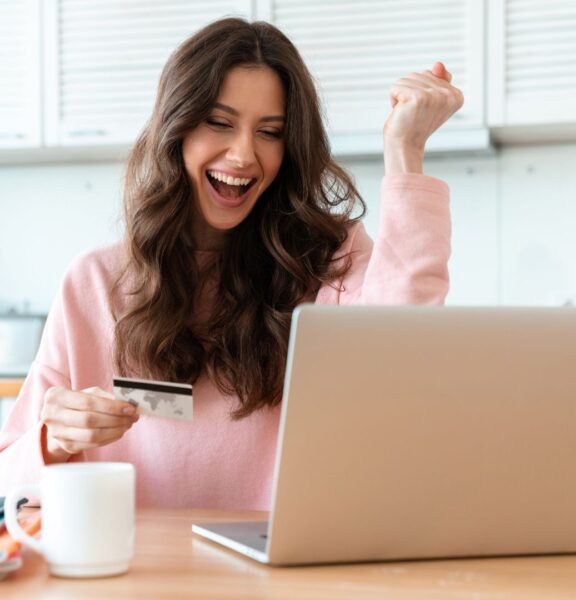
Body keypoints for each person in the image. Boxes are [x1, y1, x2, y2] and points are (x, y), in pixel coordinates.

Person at [0, 18, 463, 508]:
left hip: (280, 575)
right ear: (176, 128)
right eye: (219, 123)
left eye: (270, 132)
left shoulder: (328, 261)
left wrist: (405, 150)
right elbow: (10, 478)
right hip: (142, 577)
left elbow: (401, 353)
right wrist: (55, 439)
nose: (244, 155)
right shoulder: (95, 283)